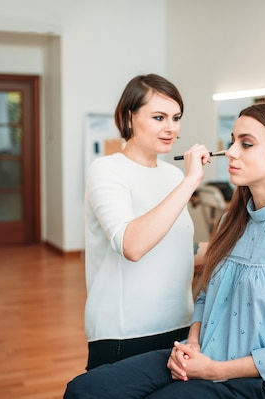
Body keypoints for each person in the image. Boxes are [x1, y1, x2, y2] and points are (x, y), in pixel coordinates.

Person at [60, 103, 265, 399]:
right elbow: (208, 296)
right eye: (232, 141)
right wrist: (193, 344)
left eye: (246, 144)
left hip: (247, 391)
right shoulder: (232, 222)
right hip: (199, 358)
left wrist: (215, 370)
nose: (231, 152)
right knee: (83, 391)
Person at [83, 73, 212, 371]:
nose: (170, 127)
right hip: (125, 331)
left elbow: (180, 248)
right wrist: (192, 180)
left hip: (179, 326)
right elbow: (132, 245)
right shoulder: (107, 170)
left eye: (176, 117)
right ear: (129, 117)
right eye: (158, 117)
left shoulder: (173, 176)